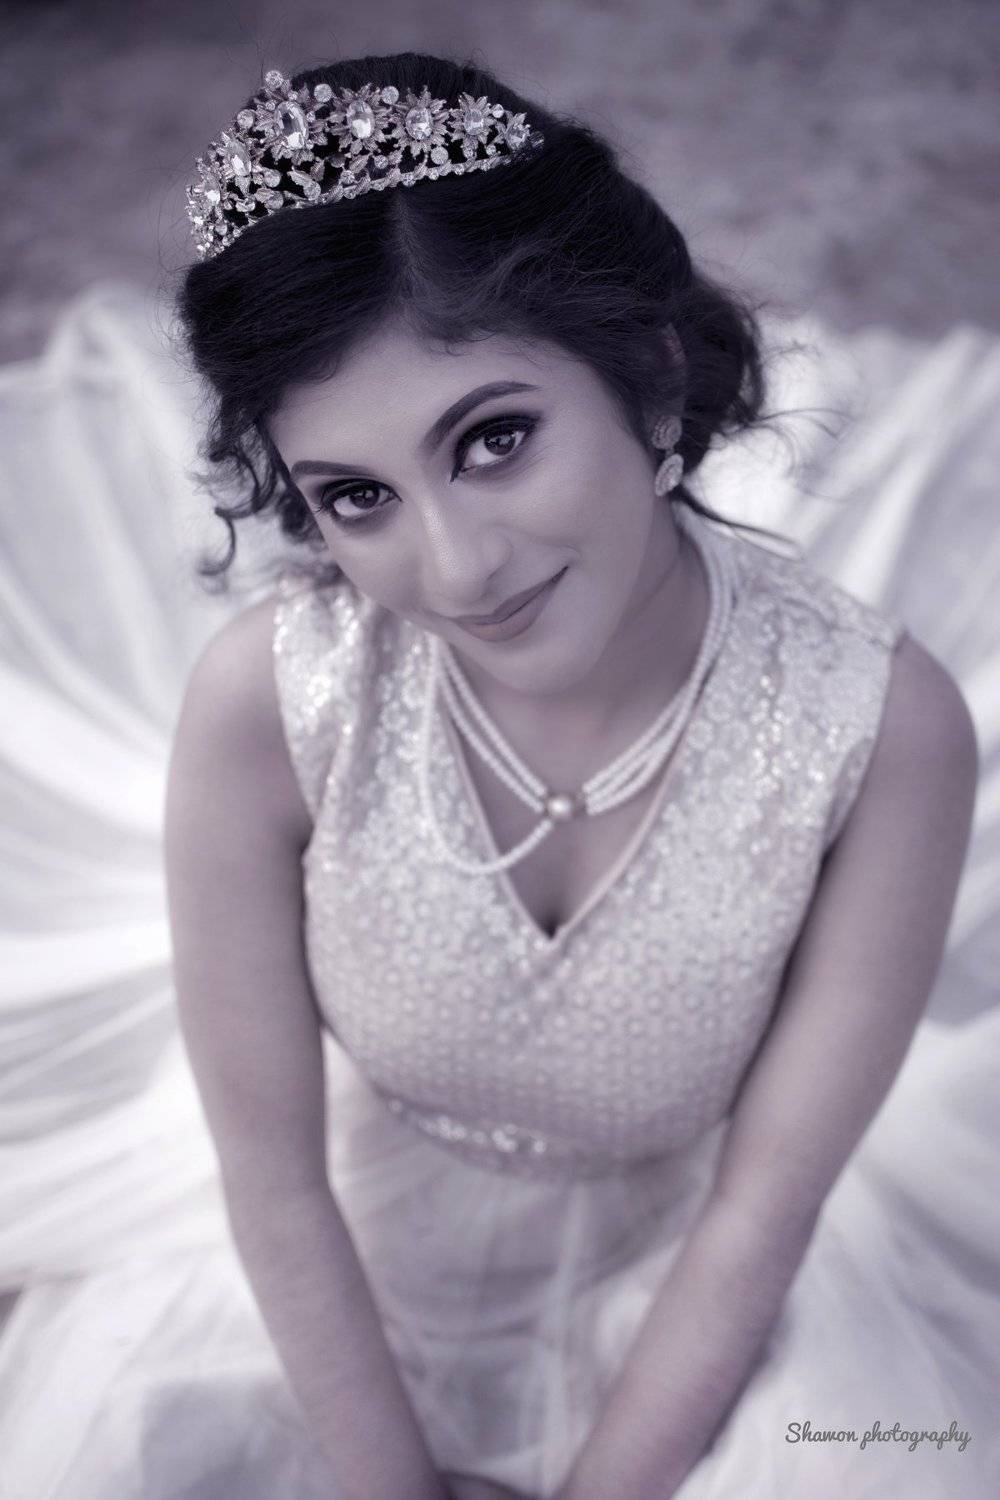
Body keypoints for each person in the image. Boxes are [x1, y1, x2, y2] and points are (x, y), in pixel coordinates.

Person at [2, 46, 1000, 1500]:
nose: (457, 567)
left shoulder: (885, 733)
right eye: (359, 496)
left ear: (653, 383)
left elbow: (758, 1217)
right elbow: (275, 1188)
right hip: (339, 1262)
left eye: (496, 440)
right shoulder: (270, 705)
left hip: (699, 1273)